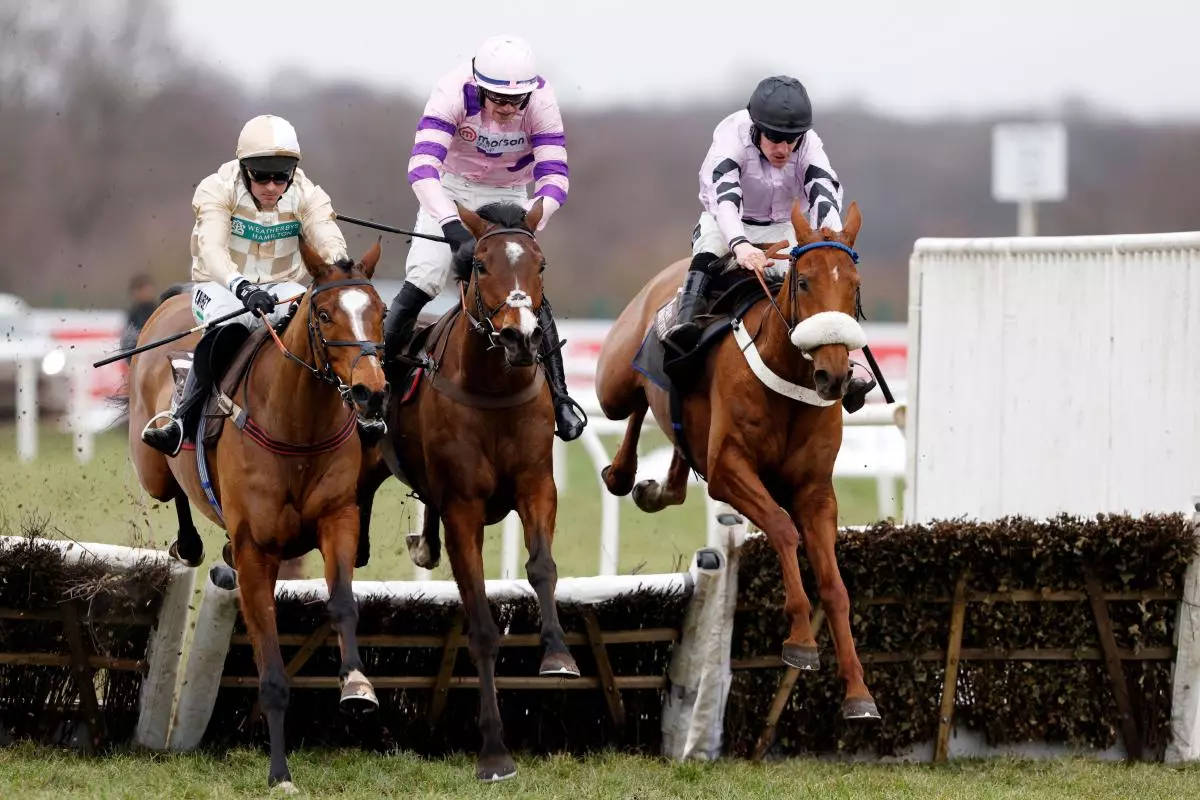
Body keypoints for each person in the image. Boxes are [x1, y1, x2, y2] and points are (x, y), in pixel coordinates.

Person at [384, 34, 586, 441]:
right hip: (451, 190)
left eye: (517, 101)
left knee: (524, 290)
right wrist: (451, 225)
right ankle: (381, 386)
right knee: (424, 277)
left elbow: (555, 177)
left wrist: (531, 220)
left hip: (510, 196)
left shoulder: (542, 100)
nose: (509, 109)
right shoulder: (451, 91)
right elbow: (422, 168)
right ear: (479, 87)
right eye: (499, 99)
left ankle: (561, 398)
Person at [141, 114, 354, 456]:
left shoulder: (308, 195)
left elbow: (328, 239)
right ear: (243, 168)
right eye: (261, 176)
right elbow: (212, 250)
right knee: (231, 326)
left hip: (281, 287)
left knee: (320, 322)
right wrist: (241, 287)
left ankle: (354, 410)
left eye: (281, 177)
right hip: (219, 286)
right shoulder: (216, 188)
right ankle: (181, 419)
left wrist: (340, 267)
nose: (271, 187)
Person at [661, 75, 876, 411]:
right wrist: (740, 244)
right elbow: (726, 200)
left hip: (782, 228)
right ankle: (683, 329)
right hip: (726, 220)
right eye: (775, 138)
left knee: (817, 283)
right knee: (708, 252)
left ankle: (841, 367)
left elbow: (823, 191)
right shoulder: (731, 135)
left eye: (791, 140)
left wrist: (832, 241)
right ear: (757, 128)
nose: (783, 149)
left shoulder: (809, 144)